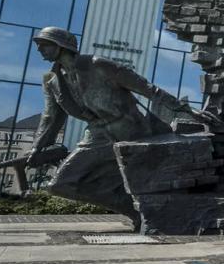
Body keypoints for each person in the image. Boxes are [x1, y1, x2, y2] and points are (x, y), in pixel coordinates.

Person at [24, 26, 208, 226]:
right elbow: (50, 118)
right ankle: (133, 210)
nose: (39, 50)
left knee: (137, 175)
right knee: (60, 184)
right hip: (96, 134)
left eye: (44, 44)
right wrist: (37, 148)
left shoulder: (98, 65)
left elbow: (148, 89)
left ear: (61, 45)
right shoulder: (52, 82)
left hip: (130, 129)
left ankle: (148, 213)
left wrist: (185, 109)